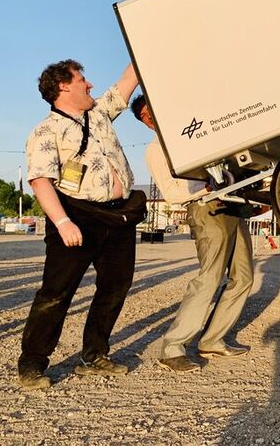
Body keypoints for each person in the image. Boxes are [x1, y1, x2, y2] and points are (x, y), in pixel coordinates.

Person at [19, 60, 144, 390]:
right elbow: (41, 181)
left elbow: (126, 82)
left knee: (116, 286)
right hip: (75, 216)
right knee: (56, 293)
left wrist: (144, 38)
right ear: (63, 86)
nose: (90, 85)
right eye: (82, 79)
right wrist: (62, 222)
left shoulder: (99, 112)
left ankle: (94, 354)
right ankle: (32, 362)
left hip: (117, 216)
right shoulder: (46, 131)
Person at [131, 95, 254, 372]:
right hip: (205, 209)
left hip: (231, 207)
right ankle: (172, 348)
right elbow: (172, 193)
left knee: (243, 277)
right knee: (209, 278)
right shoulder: (156, 150)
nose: (151, 118)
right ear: (144, 123)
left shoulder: (190, 136)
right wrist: (208, 189)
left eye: (153, 111)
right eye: (145, 117)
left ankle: (212, 340)